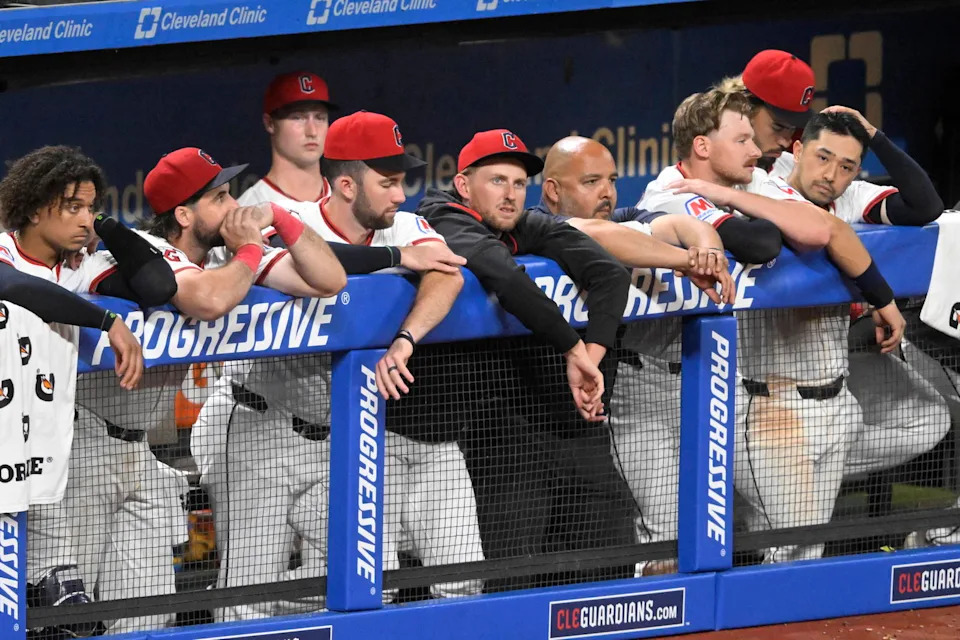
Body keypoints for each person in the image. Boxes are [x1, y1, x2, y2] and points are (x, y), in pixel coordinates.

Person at [657, 89, 906, 563]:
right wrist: (734, 200)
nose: (758, 151)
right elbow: (762, 241)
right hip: (719, 391)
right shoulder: (669, 190)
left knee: (802, 548)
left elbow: (830, 230)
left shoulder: (751, 183)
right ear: (705, 147)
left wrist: (726, 194)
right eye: (744, 139)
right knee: (687, 540)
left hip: (802, 398)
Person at [240, 110, 478, 603]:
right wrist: (394, 260)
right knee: (246, 593)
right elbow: (320, 272)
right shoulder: (292, 223)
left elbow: (448, 274)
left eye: (401, 181)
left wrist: (406, 338)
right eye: (388, 183)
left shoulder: (406, 225)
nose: (401, 194)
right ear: (346, 185)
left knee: (374, 584)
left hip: (346, 439)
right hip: (266, 427)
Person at [135, 145, 346, 623]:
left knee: (353, 574)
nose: (235, 207)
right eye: (220, 198)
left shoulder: (229, 255)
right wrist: (250, 249)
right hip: (226, 427)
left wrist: (280, 219)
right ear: (184, 214)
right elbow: (208, 299)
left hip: (266, 428)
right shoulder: (148, 255)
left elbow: (330, 278)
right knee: (242, 595)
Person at [0, 145, 177, 636]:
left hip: (39, 450)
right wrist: (107, 320)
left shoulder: (80, 264)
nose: (85, 220)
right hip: (6, 446)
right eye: (72, 207)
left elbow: (158, 286)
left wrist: (111, 229)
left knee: (60, 604)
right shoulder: (2, 249)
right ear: (35, 208)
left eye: (91, 208)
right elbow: (13, 288)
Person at [716, 49, 817, 172]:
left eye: (792, 128)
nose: (786, 142)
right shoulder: (700, 169)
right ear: (742, 108)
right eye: (778, 127)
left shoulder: (796, 171)